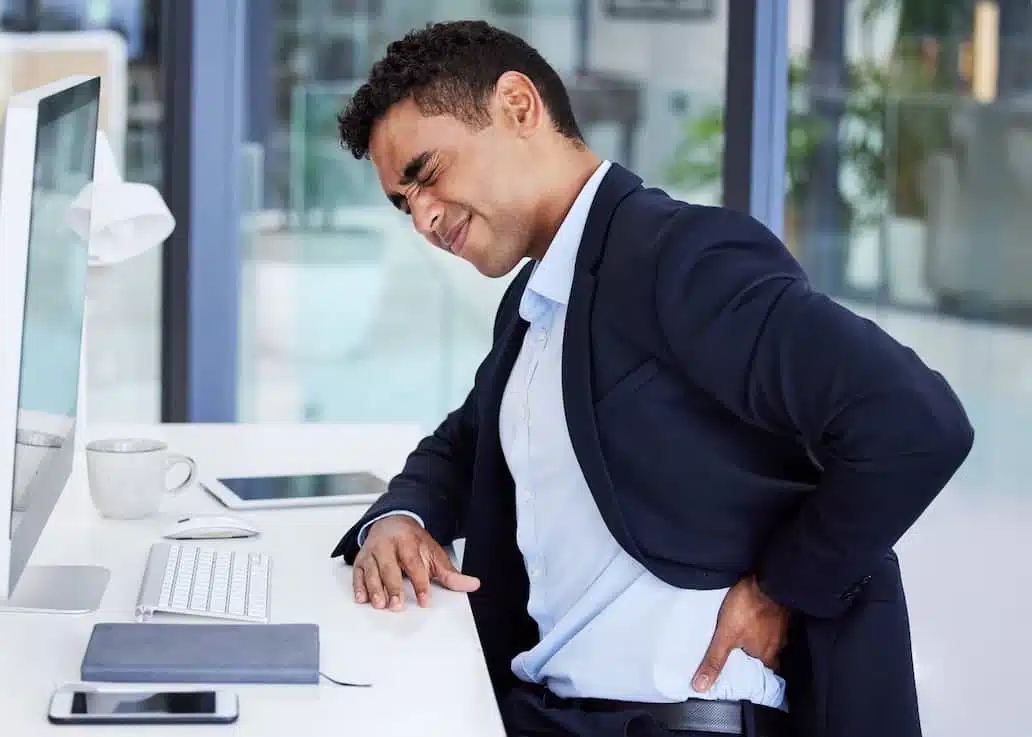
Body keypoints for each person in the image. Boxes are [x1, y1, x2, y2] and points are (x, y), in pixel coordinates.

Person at [328, 20, 973, 737]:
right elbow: (464, 442)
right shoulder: (537, 298)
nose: (421, 217)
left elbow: (915, 421)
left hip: (674, 717)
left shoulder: (678, 255)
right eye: (401, 201)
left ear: (518, 107)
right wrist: (400, 519)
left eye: (426, 174)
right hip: (544, 712)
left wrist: (778, 589)